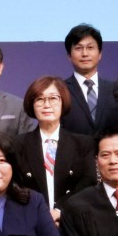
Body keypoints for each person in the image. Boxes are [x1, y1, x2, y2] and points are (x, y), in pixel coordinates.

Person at [17, 76, 96, 224]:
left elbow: (88, 183)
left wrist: (60, 211)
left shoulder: (83, 144)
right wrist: (41, 215)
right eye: (40, 99)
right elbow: (16, 186)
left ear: (63, 102)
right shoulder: (18, 144)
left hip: (72, 221)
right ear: (32, 105)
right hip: (30, 222)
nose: (47, 105)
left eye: (53, 98)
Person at [60, 24, 118, 135]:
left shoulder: (116, 90)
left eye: (90, 48)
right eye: (78, 48)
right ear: (69, 55)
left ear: (100, 54)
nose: (85, 54)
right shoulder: (60, 90)